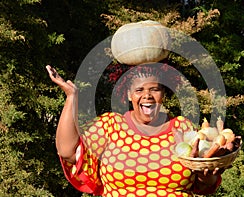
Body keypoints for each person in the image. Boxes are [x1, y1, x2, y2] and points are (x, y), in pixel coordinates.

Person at [46, 63, 225, 197]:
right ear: (129, 95)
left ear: (163, 94)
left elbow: (202, 185)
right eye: (139, 90)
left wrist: (207, 177)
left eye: (154, 89)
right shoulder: (111, 125)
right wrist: (71, 97)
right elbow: (68, 151)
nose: (147, 95)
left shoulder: (183, 127)